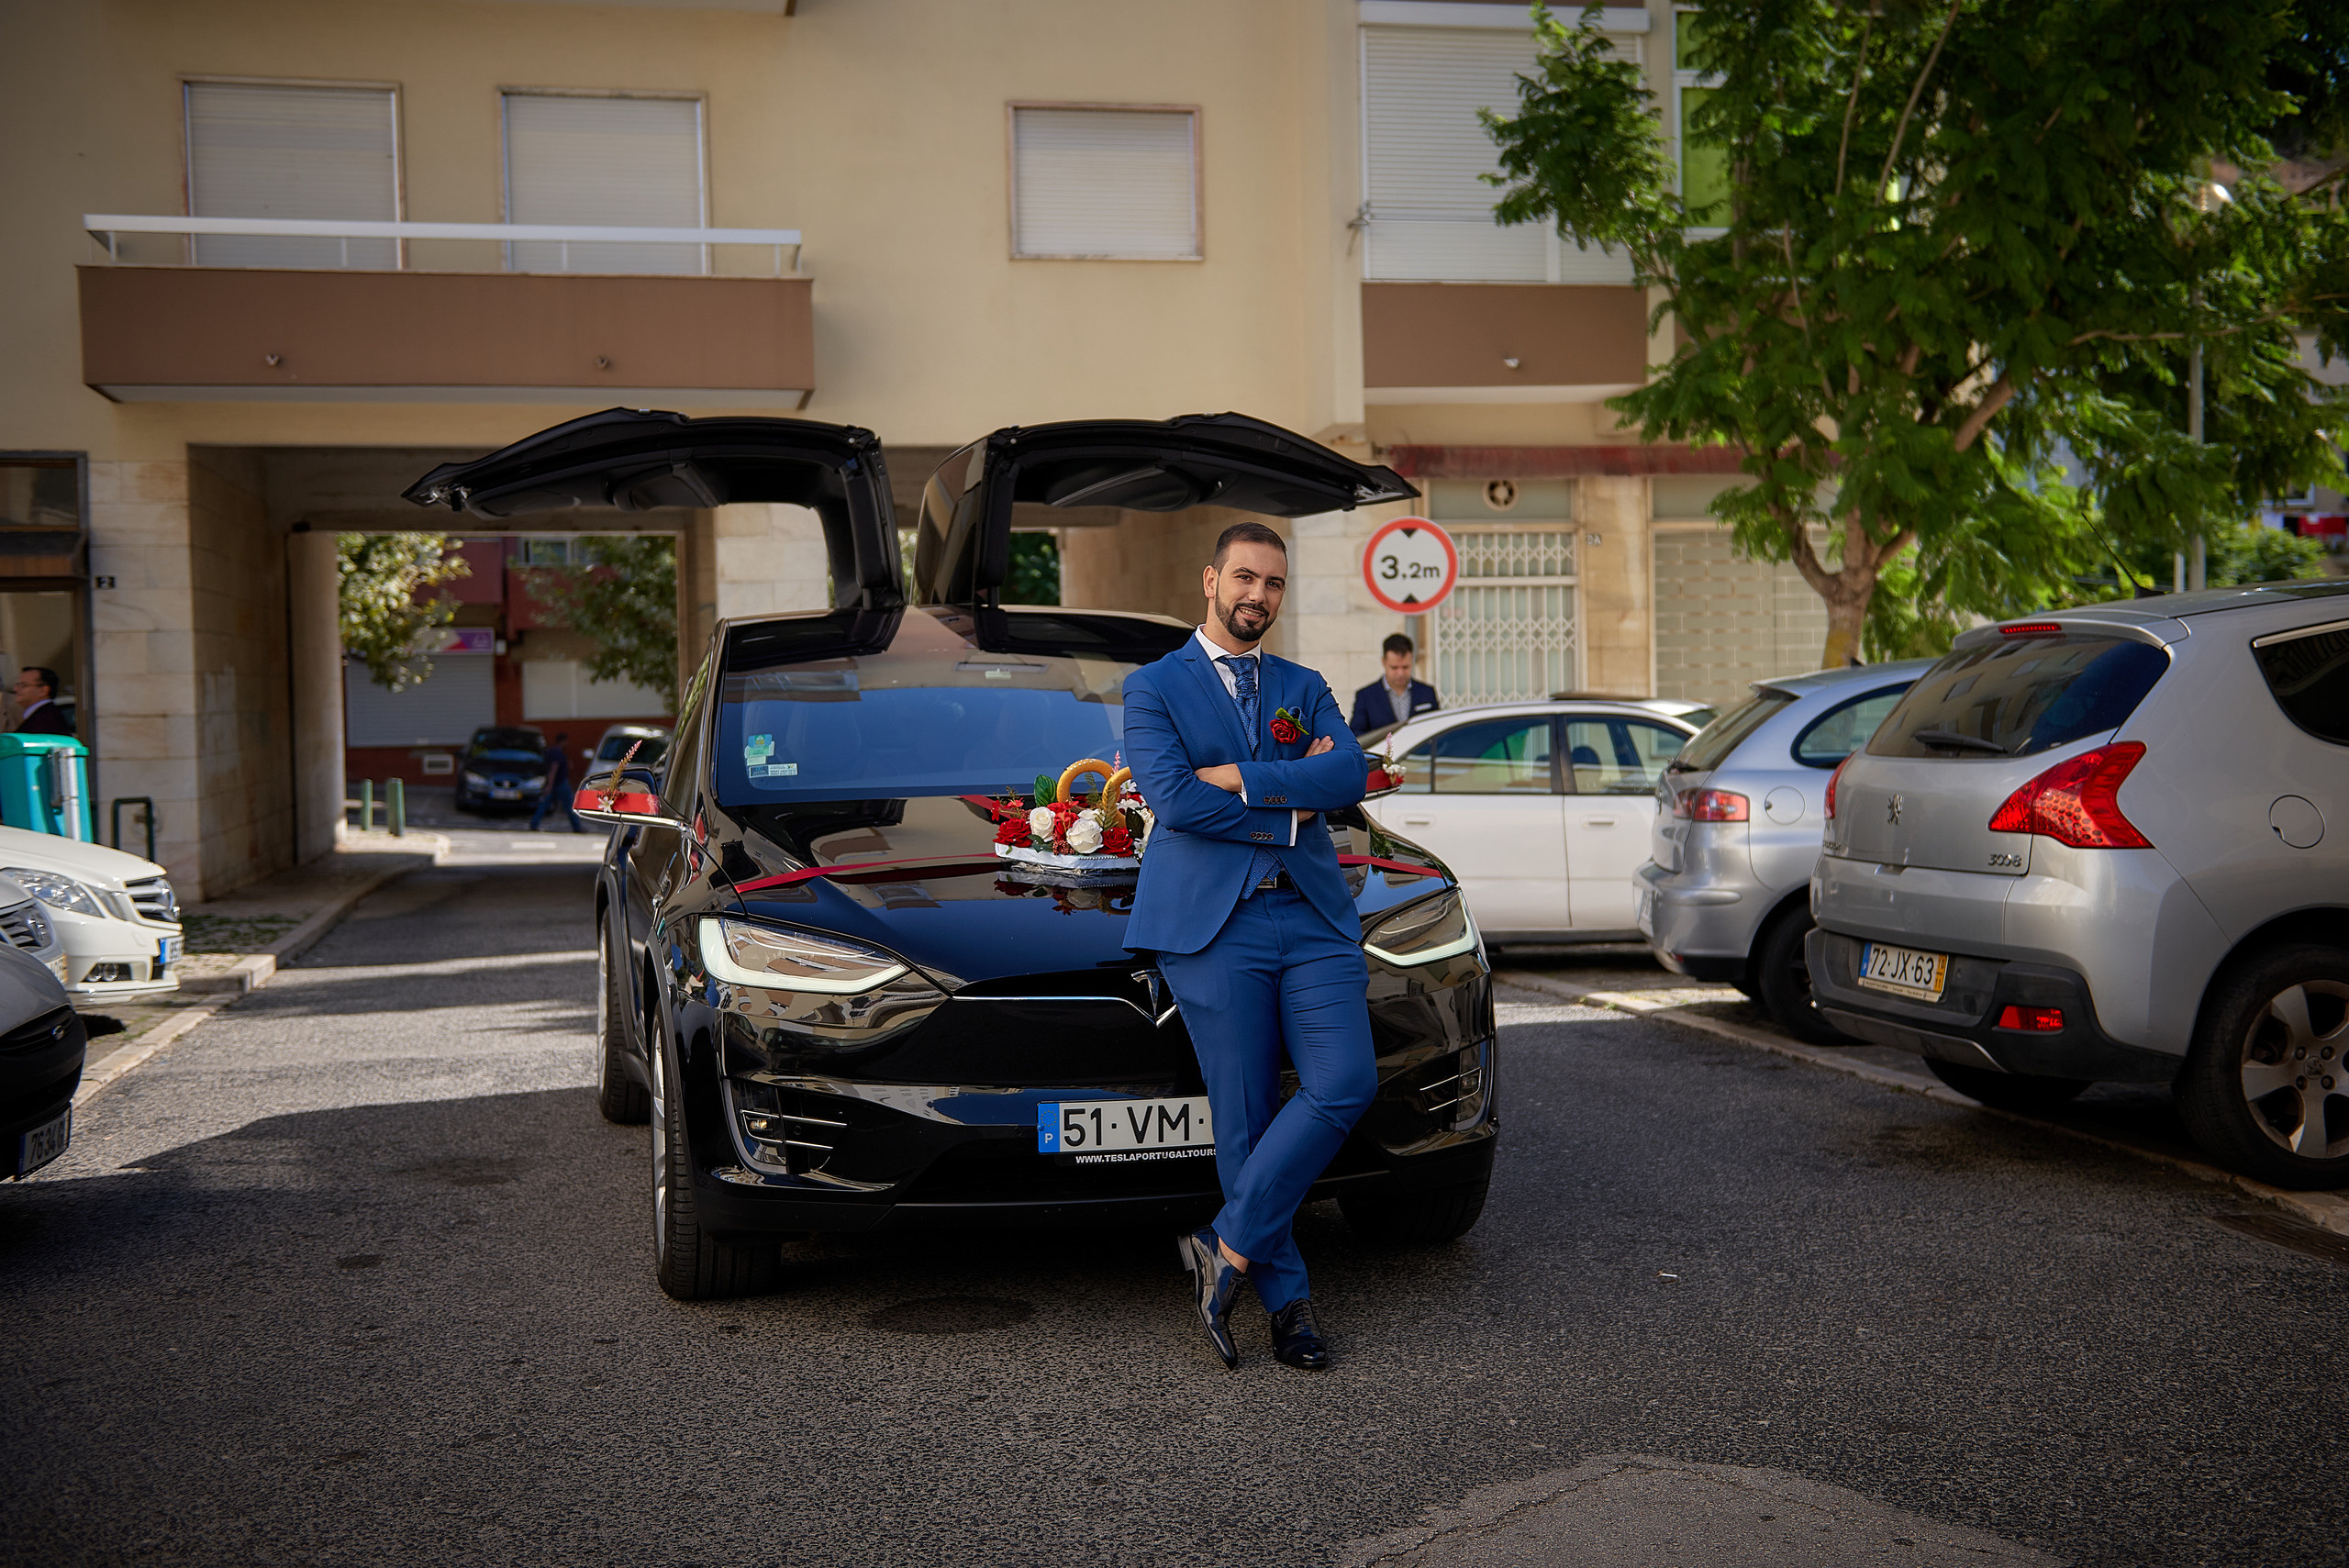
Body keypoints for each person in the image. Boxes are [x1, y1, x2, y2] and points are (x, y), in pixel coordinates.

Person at [1121, 521, 1376, 1373]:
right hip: (1210, 925)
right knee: (1245, 1119)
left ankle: (1223, 1246)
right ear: (1210, 580)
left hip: (1312, 918)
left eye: (1272, 582)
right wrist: (1291, 805)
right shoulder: (1154, 687)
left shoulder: (1302, 685)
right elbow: (1174, 801)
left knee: (1345, 1082)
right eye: (1244, 577)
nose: (1257, 595)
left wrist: (1243, 775)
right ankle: (1289, 1305)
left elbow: (1350, 776)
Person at [1348, 634, 1438, 734]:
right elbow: (1357, 735)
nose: (1400, 673)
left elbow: (1437, 729)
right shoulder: (1366, 696)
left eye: (1405, 667)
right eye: (1394, 668)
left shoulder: (1427, 692)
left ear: (1412, 659)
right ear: (1384, 662)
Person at [529, 730, 581, 832]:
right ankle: (577, 827)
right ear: (563, 741)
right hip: (560, 782)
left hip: (553, 782)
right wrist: (550, 785)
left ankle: (534, 824)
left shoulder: (551, 751)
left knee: (544, 804)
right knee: (570, 805)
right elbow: (554, 769)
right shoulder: (558, 753)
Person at [11, 668, 72, 736]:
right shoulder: (45, 715)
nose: (15, 689)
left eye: (24, 685)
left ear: (43, 690)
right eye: (17, 684)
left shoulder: (45, 720)